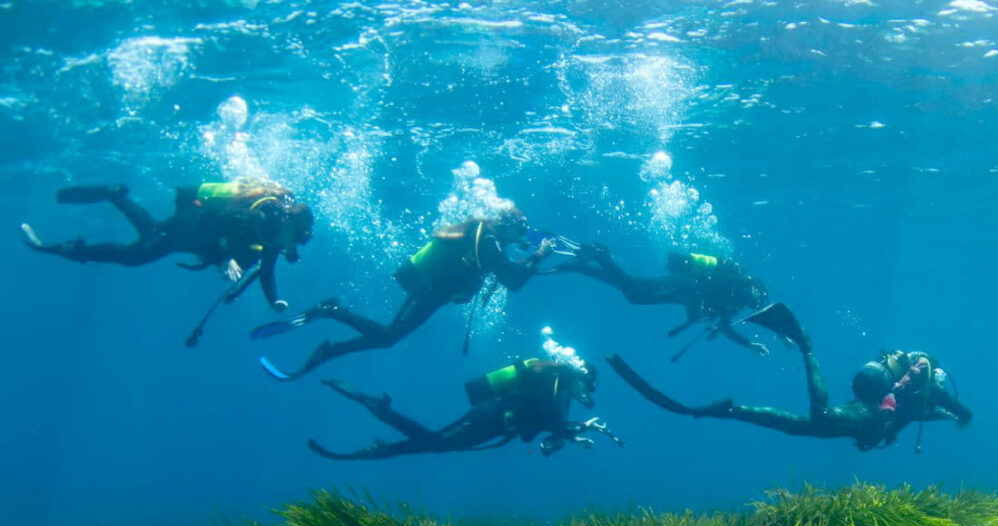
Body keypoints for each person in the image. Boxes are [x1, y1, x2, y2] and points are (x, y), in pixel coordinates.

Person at [607, 302, 972, 452]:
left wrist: (950, 419)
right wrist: (962, 417)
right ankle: (804, 344)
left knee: (798, 426)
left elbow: (932, 413)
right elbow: (953, 408)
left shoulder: (926, 406)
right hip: (872, 408)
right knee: (821, 417)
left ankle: (728, 410)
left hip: (868, 405)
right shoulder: (932, 391)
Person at [253, 207, 555, 381]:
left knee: (388, 338)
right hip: (430, 290)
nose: (522, 238)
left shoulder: (486, 237)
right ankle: (332, 315)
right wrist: (540, 255)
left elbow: (506, 271)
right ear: (509, 228)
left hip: (433, 290)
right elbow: (513, 282)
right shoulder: (490, 243)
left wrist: (529, 257)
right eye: (520, 232)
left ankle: (332, 345)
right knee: (388, 338)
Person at [309, 330, 623, 460]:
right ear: (582, 377)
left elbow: (548, 423)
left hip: (494, 421)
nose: (588, 393)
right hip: (489, 418)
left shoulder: (559, 388)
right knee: (435, 443)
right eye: (589, 386)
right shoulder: (560, 385)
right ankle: (379, 417)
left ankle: (382, 437)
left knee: (436, 445)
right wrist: (582, 429)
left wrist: (573, 434)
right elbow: (553, 423)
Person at [20, 180, 314, 312]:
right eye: (299, 239)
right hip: (191, 227)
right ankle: (78, 242)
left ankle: (115, 196)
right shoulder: (261, 216)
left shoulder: (275, 236)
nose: (295, 247)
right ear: (291, 226)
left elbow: (266, 273)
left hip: (192, 237)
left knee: (147, 237)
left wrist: (273, 301)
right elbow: (224, 219)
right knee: (137, 253)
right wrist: (228, 258)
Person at [552, 243, 770, 360]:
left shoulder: (736, 301)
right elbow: (700, 302)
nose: (752, 305)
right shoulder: (737, 286)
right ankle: (601, 257)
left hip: (681, 292)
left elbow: (724, 326)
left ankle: (583, 267)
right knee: (634, 289)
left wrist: (749, 345)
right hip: (682, 285)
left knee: (634, 293)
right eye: (755, 301)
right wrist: (694, 314)